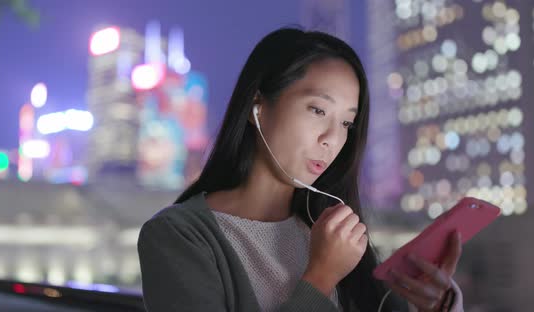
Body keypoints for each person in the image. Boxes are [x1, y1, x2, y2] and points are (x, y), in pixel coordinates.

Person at [138, 27, 464, 312]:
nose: (332, 139)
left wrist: (435, 306)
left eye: (347, 122)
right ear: (257, 107)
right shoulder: (178, 235)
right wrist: (320, 278)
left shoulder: (331, 230)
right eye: (317, 109)